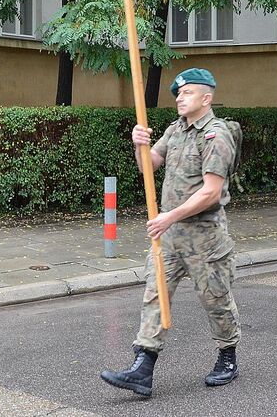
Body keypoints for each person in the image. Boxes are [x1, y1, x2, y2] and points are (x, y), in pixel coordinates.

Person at [100, 68, 241, 396]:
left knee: (215, 299)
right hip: (171, 235)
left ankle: (228, 356)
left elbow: (211, 191)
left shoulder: (217, 135)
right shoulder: (175, 130)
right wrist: (139, 145)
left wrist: (169, 216)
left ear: (206, 98)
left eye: (187, 93)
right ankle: (143, 368)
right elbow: (148, 164)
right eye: (178, 93)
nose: (179, 97)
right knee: (154, 294)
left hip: (205, 236)